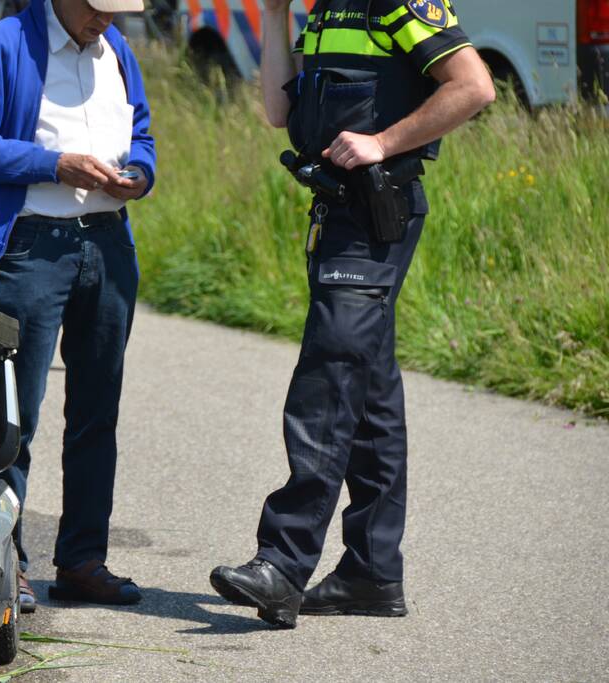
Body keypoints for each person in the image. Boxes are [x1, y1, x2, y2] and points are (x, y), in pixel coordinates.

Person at [209, 0, 495, 628]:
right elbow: (277, 110)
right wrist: (276, 14)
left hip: (374, 216)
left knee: (330, 378)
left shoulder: (393, 2)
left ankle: (283, 564)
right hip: (338, 215)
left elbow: (474, 86)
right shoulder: (326, 11)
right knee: (371, 398)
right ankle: (371, 573)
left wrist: (383, 142)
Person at [0, 0, 155, 612]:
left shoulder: (116, 49)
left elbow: (142, 135)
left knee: (98, 411)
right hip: (33, 244)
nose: (109, 20)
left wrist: (139, 174)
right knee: (14, 414)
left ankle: (84, 561)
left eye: (118, 11)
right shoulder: (5, 43)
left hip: (109, 243)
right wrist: (53, 164)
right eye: (100, 8)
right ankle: (3, 559)